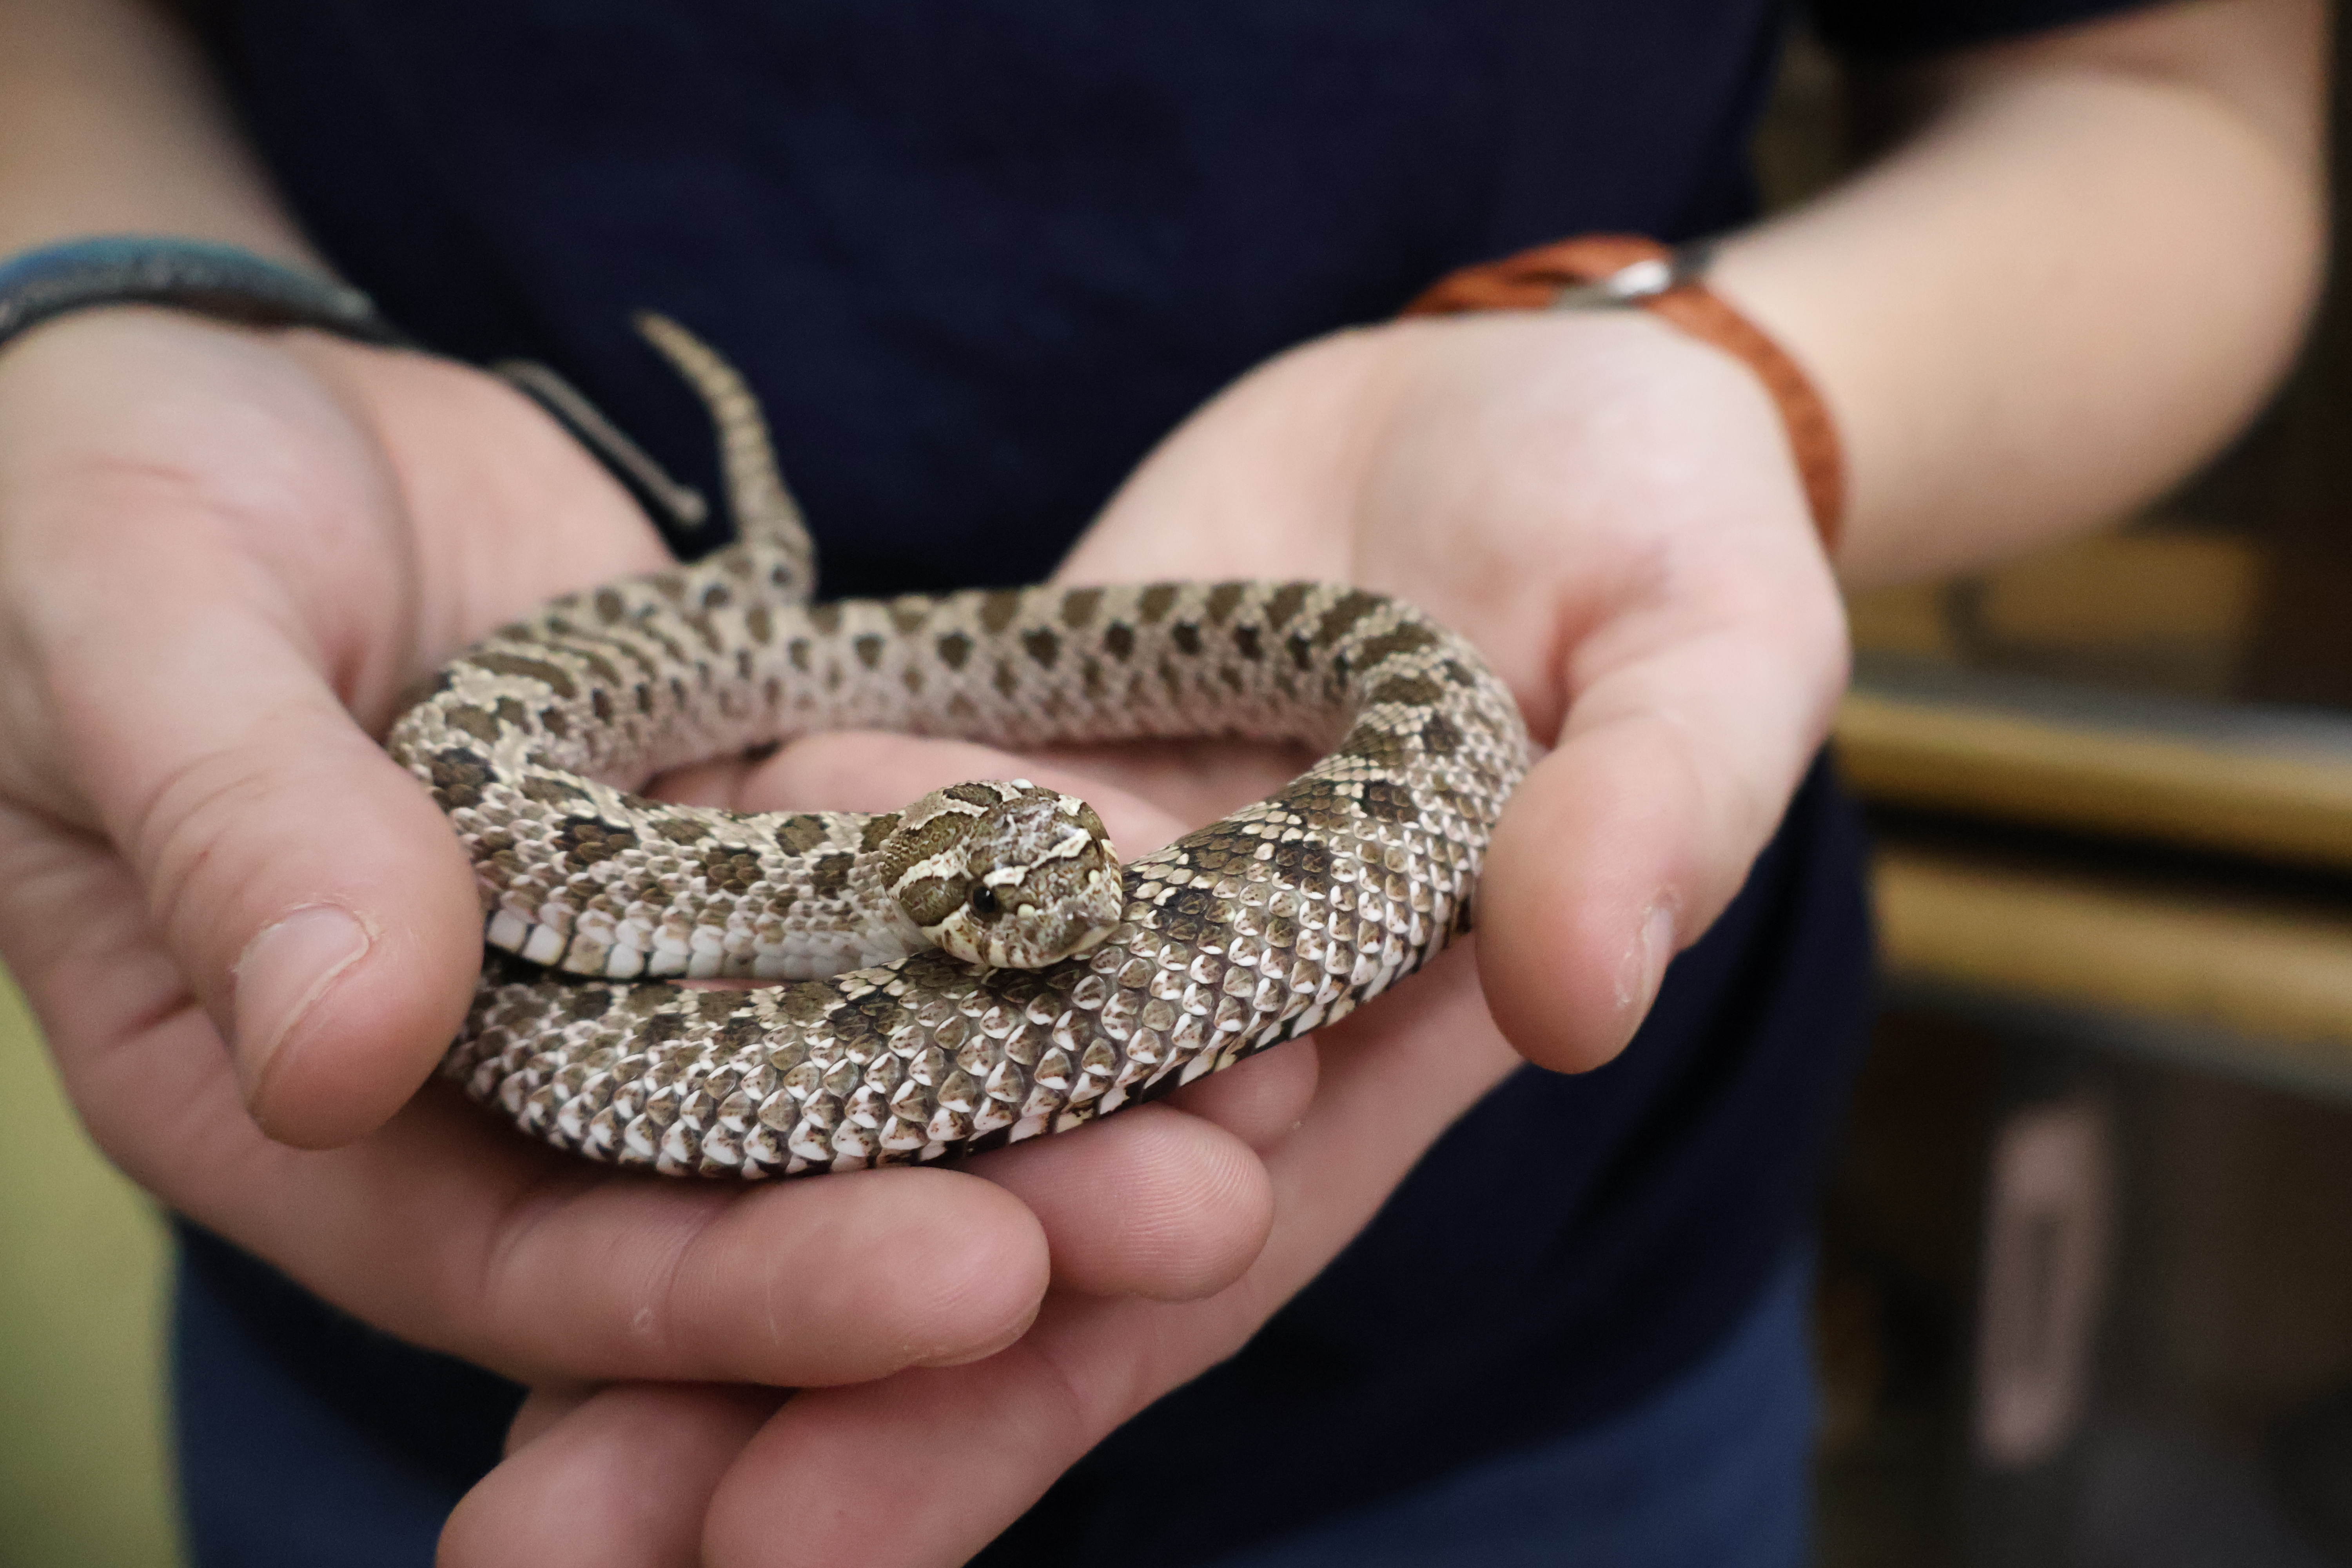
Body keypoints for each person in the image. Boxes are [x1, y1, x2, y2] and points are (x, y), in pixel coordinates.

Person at [0, 0, 2322, 1563]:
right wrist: (115, 293)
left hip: (1569, 1352)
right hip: (391, 1370)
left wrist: (1729, 381)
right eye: (1009, 923)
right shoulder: (696, 871)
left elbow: (2182, 80)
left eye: (1043, 918)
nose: (1071, 934)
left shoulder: (1077, 853)